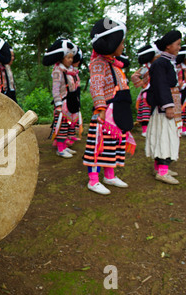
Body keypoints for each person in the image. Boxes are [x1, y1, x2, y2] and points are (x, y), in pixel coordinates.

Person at [82, 18, 136, 195]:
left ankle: (110, 175)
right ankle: (93, 180)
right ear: (112, 43)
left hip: (117, 113)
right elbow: (96, 86)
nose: (122, 46)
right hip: (104, 113)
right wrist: (101, 108)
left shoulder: (114, 64)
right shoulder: (98, 63)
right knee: (98, 146)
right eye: (120, 43)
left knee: (113, 145)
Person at [146, 30, 183, 185]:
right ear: (168, 46)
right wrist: (168, 106)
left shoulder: (167, 62)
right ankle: (162, 171)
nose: (179, 47)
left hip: (169, 103)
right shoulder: (161, 63)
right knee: (164, 137)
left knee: (165, 136)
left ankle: (160, 168)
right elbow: (161, 86)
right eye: (178, 44)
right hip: (164, 107)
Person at [43, 38, 79, 159]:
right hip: (62, 103)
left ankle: (64, 146)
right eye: (68, 57)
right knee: (61, 126)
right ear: (62, 58)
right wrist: (58, 104)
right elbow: (56, 88)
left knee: (68, 125)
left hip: (70, 102)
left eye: (71, 57)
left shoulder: (70, 71)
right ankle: (60, 148)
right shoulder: (58, 71)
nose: (70, 60)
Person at [131, 44, 160, 137]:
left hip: (156, 91)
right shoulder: (145, 68)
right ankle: (145, 130)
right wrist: (143, 85)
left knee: (155, 110)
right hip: (147, 92)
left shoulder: (158, 66)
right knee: (146, 111)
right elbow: (134, 76)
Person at [176, 45, 186, 136]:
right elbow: (177, 80)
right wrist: (182, 84)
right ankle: (181, 127)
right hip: (181, 91)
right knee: (181, 109)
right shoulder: (179, 67)